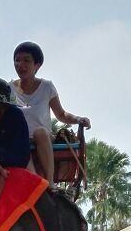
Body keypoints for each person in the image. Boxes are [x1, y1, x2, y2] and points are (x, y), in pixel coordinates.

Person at [11, 42, 90, 185]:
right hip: (20, 139)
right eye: (17, 60)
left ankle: (49, 183)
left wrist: (79, 119)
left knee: (40, 132)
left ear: (37, 65)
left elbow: (61, 114)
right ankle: (35, 182)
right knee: (18, 137)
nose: (20, 64)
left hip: (43, 137)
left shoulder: (46, 87)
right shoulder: (9, 88)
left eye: (26, 60)